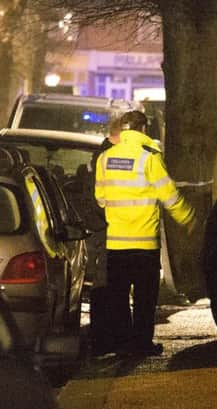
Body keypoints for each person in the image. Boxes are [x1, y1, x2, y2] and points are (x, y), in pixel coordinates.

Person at [95, 110, 196, 357]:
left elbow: (100, 199)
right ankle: (141, 344)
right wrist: (189, 219)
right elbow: (169, 196)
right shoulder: (149, 158)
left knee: (118, 297)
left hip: (116, 243)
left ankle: (122, 343)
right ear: (143, 130)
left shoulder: (105, 158)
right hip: (144, 244)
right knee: (144, 298)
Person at [88, 117, 121, 357]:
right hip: (108, 233)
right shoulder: (109, 158)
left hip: (108, 232)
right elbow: (101, 201)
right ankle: (104, 340)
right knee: (106, 288)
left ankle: (104, 340)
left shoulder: (101, 156)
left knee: (106, 288)